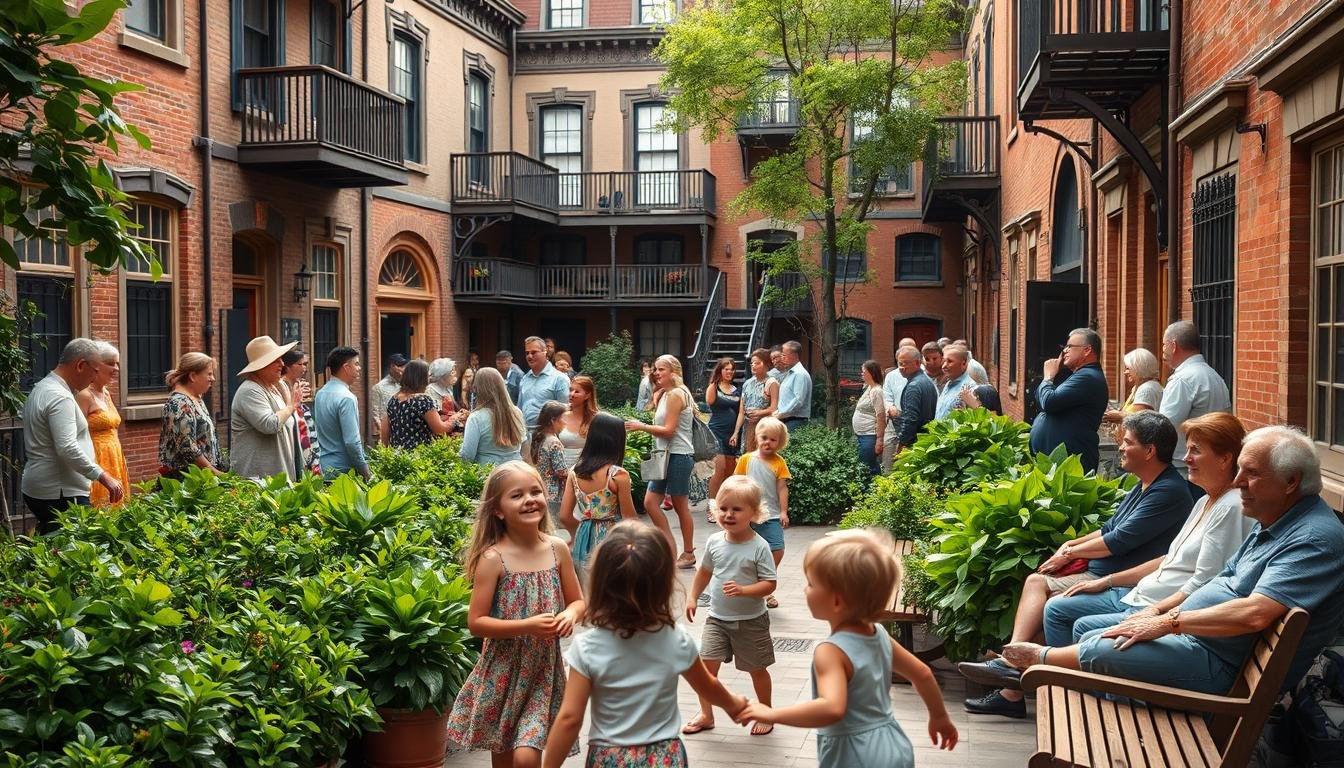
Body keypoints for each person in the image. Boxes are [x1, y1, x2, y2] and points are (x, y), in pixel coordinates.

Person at [1005, 426, 1344, 699]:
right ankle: (1034, 670)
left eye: (1251, 473)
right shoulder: (1277, 518)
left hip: (1219, 666)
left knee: (1100, 647)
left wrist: (1167, 622)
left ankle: (1033, 662)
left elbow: (1256, 612)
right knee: (1096, 635)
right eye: (1240, 470)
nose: (1238, 482)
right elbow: (1223, 574)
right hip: (1200, 643)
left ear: (1291, 482)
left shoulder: (1313, 538)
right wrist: (1157, 613)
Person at [959, 411, 1193, 717]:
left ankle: (1012, 662)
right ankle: (1012, 685)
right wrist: (1073, 544)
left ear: (1149, 451)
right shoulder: (1145, 483)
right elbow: (1110, 527)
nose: (1120, 447)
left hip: (1124, 580)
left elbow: (1118, 541)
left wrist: (1069, 555)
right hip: (1106, 573)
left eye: (1127, 441)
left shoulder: (1169, 491)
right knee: (1045, 593)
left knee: (1042, 590)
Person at [991, 413, 1253, 669]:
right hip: (1138, 589)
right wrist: (1080, 557)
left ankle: (1047, 677)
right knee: (1057, 605)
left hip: (1151, 600)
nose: (1186, 458)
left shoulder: (1214, 504)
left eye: (1195, 450)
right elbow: (1165, 557)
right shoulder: (1203, 500)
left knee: (1063, 612)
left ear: (1225, 459)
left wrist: (1156, 615)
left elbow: (1202, 581)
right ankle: (1025, 668)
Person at [734, 529, 959, 766]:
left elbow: (832, 708)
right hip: (893, 744)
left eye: (810, 584)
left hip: (854, 754)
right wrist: (939, 717)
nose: (804, 590)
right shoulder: (878, 633)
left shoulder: (831, 651)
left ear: (837, 600)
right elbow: (922, 674)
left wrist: (772, 714)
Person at [542, 521, 748, 768]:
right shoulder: (675, 639)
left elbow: (569, 719)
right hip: (664, 756)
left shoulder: (587, 647)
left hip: (610, 757)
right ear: (664, 585)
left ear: (599, 584)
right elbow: (708, 686)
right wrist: (734, 705)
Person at [446, 461, 586, 766]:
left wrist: (570, 616)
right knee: (504, 756)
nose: (529, 499)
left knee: (526, 756)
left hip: (542, 673)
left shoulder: (557, 548)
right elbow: (476, 622)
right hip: (502, 674)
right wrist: (527, 626)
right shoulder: (493, 559)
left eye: (535, 491)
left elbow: (578, 602)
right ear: (498, 509)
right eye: (517, 495)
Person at [683, 476, 779, 736]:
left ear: (755, 513)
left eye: (737, 509)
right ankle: (706, 714)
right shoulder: (715, 542)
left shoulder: (759, 547)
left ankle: (765, 712)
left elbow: (770, 584)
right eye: (724, 508)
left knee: (757, 669)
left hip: (751, 621)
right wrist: (692, 597)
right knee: (705, 670)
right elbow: (703, 571)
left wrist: (745, 590)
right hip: (717, 619)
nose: (729, 514)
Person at [22, 338, 124, 532]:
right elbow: (67, 447)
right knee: (82, 550)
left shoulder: (42, 388)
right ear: (80, 365)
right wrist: (103, 476)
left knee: (52, 548)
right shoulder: (60, 397)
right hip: (60, 491)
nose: (94, 378)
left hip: (46, 487)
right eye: (94, 370)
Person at [624, 354, 698, 568]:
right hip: (663, 455)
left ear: (674, 372)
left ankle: (688, 552)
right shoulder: (664, 394)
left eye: (661, 369)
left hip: (678, 455)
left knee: (680, 505)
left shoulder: (677, 394)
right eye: (655, 369)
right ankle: (669, 548)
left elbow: (668, 431)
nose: (656, 373)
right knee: (650, 503)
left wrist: (641, 426)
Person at [558, 413, 638, 575]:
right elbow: (630, 519)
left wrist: (581, 530)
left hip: (583, 538)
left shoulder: (574, 472)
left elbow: (565, 516)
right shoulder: (617, 475)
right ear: (617, 441)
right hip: (613, 538)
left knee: (587, 587)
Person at [1028, 327, 1110, 473]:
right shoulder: (1081, 375)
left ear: (1087, 350)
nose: (1065, 350)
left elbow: (1048, 402)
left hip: (1069, 467)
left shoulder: (1088, 377)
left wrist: (1048, 377)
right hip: (1059, 465)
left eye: (1070, 346)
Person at [1160, 321, 1232, 482]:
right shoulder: (1214, 376)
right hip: (1209, 466)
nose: (1162, 350)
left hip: (1183, 469)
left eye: (1164, 345)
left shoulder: (1182, 380)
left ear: (1173, 345)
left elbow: (1164, 427)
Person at [735, 417, 791, 608]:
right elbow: (736, 483)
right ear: (757, 438)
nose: (768, 442)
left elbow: (782, 488)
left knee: (777, 549)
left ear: (780, 442)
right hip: (748, 516)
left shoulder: (779, 463)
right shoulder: (746, 460)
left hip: (771, 515)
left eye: (773, 439)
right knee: (746, 550)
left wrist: (784, 512)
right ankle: (756, 588)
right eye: (764, 437)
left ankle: (765, 585)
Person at [230, 335, 304, 481]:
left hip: (276, 481)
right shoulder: (250, 390)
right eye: (275, 360)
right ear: (261, 365)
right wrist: (291, 406)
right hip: (259, 482)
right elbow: (270, 425)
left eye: (281, 359)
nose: (282, 364)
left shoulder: (273, 387)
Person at [76, 341, 128, 507]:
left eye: (117, 364)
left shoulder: (106, 393)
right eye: (111, 363)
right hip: (96, 459)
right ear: (96, 366)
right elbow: (75, 434)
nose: (117, 369)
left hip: (114, 458)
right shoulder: (84, 396)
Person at [159, 352, 223, 479]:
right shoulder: (179, 403)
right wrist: (215, 473)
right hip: (188, 481)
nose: (213, 379)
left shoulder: (196, 398)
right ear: (193, 376)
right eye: (209, 374)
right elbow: (187, 447)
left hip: (202, 477)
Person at [313, 346, 369, 481]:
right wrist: (365, 470)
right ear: (346, 367)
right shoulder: (347, 398)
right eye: (356, 364)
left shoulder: (320, 393)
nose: (359, 368)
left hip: (324, 467)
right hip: (343, 472)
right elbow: (352, 442)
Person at [379, 359, 452, 450]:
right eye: (427, 376)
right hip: (419, 458)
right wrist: (454, 420)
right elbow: (440, 429)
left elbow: (384, 432)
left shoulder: (393, 400)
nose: (429, 380)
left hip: (398, 457)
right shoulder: (423, 400)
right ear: (421, 378)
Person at [460, 367, 526, 466]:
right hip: (515, 471)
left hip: (489, 475)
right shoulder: (517, 412)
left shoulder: (476, 418)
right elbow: (522, 445)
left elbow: (467, 456)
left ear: (478, 389)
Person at [705, 357, 743, 522]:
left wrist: (736, 432)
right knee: (718, 470)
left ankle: (724, 506)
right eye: (726, 369)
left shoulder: (738, 389)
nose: (729, 372)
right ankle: (711, 508)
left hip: (733, 434)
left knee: (729, 473)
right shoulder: (713, 387)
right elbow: (709, 403)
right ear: (720, 370)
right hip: (715, 432)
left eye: (732, 369)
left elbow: (741, 411)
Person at [517, 337, 572, 450]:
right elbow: (520, 409)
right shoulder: (525, 378)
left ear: (545, 352)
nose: (529, 356)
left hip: (549, 440)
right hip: (525, 438)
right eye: (527, 353)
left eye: (534, 352)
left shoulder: (559, 379)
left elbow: (566, 412)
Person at [1103, 347, 1163, 437]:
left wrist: (1118, 416)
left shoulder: (1146, 389)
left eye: (1128, 368)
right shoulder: (1145, 386)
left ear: (1139, 368)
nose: (1125, 372)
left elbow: (1140, 421)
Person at [882, 339, 921, 470]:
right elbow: (886, 396)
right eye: (903, 349)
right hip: (894, 424)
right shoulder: (891, 375)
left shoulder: (923, 374)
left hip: (914, 426)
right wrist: (890, 407)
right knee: (889, 464)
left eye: (911, 349)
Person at [531, 401, 571, 525]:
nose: (566, 422)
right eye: (563, 419)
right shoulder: (554, 442)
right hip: (554, 492)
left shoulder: (540, 436)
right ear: (553, 420)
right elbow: (561, 471)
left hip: (542, 487)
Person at [892, 346, 937, 456]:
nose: (902, 367)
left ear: (917, 363)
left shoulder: (914, 386)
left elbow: (911, 419)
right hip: (925, 440)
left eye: (905, 363)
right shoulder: (927, 381)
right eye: (899, 364)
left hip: (915, 443)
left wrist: (902, 444)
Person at [279, 347, 317, 475]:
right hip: (294, 436)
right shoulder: (281, 384)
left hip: (304, 434)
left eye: (306, 364)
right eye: (300, 364)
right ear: (288, 366)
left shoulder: (298, 382)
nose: (304, 368)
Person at [738, 348, 780, 454]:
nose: (753, 366)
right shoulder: (747, 383)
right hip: (748, 427)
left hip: (764, 426)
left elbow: (774, 408)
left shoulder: (772, 382)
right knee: (748, 455)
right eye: (752, 363)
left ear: (766, 364)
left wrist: (759, 413)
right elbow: (741, 411)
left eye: (757, 363)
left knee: (762, 456)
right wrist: (735, 432)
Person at [852, 360, 886, 477]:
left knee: (868, 468)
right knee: (866, 466)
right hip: (862, 435)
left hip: (870, 435)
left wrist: (879, 439)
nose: (861, 374)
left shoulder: (877, 391)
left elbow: (881, 416)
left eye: (863, 372)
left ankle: (871, 492)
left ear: (871, 372)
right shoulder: (869, 388)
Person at [560, 375, 598, 466]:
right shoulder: (560, 415)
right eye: (570, 390)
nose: (572, 394)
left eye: (577, 391)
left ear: (587, 395)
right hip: (560, 469)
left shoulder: (596, 419)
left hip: (585, 470)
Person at [776, 340, 812, 430]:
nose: (782, 358)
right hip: (786, 420)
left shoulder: (799, 374)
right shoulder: (790, 373)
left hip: (795, 421)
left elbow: (798, 401)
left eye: (784, 355)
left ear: (794, 355)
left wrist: (780, 414)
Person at [369, 353, 406, 438]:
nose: (403, 369)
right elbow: (376, 414)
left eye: (403, 366)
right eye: (400, 366)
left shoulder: (407, 385)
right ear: (392, 366)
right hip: (387, 432)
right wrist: (382, 433)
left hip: (404, 431)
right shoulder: (379, 387)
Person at [934, 346, 973, 420]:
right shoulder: (948, 383)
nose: (944, 366)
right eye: (944, 361)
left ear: (963, 363)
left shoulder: (969, 387)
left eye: (950, 361)